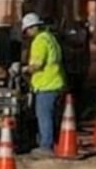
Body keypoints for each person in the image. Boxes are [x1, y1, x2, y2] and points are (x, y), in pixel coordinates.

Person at [21, 12, 64, 153]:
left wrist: (23, 69)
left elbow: (37, 65)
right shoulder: (50, 38)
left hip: (47, 85)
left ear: (33, 28)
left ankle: (46, 146)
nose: (26, 33)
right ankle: (53, 141)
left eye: (27, 30)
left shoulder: (39, 41)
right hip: (56, 83)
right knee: (51, 116)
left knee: (44, 116)